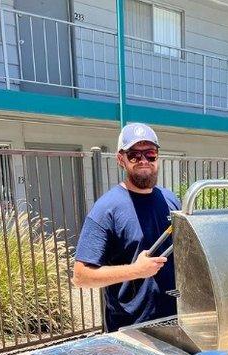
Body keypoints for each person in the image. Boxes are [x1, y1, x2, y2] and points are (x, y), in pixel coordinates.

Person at [72, 122, 180, 332]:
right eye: (134, 155)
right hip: (130, 331)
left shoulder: (170, 200)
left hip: (175, 322)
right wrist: (136, 271)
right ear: (120, 159)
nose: (143, 161)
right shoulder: (107, 208)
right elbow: (81, 277)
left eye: (149, 154)